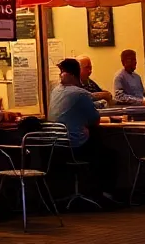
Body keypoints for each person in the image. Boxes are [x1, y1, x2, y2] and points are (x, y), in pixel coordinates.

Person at [49, 58, 117, 202]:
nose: (60, 75)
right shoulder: (80, 93)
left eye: (62, 72)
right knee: (110, 155)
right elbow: (95, 120)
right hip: (74, 145)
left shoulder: (55, 91)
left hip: (56, 145)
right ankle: (104, 195)